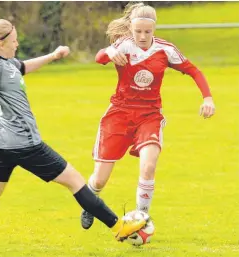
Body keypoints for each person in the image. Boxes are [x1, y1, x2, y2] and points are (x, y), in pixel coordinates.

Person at [0, 19, 147, 254]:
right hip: (25, 144)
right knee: (75, 181)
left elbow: (23, 66)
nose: (17, 44)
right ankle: (119, 226)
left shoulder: (7, 63)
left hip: (1, 146)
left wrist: (53, 56)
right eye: (14, 41)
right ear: (1, 43)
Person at [80, 3, 215, 229]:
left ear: (154, 30)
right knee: (100, 178)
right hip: (120, 114)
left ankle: (141, 219)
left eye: (147, 32)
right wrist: (110, 51)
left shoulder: (165, 49)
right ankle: (89, 203)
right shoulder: (123, 46)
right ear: (131, 29)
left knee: (148, 166)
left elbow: (194, 70)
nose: (142, 36)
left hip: (149, 115)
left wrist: (208, 98)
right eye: (138, 31)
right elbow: (99, 58)